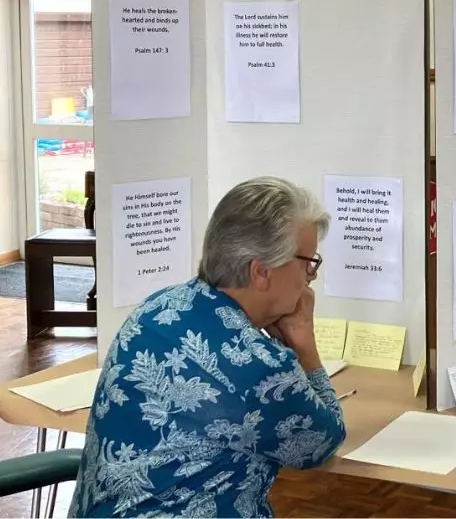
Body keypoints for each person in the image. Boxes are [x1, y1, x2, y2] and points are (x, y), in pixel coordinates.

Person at [70, 177, 347, 518]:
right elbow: (322, 441)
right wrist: (304, 343)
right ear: (261, 271)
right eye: (308, 263)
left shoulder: (157, 309)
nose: (310, 278)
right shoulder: (258, 366)